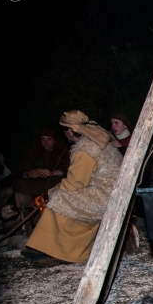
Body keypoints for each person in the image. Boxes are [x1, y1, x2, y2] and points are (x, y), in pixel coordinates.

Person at [22, 111, 123, 266]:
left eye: (64, 129)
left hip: (106, 197)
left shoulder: (85, 150)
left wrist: (49, 193)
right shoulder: (97, 140)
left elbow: (75, 183)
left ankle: (64, 251)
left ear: (70, 130)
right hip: (112, 193)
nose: (64, 134)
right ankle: (45, 246)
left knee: (59, 198)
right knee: (61, 195)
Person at [12, 128, 70, 212]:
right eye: (43, 139)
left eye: (49, 139)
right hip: (36, 182)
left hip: (53, 181)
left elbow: (68, 170)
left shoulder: (63, 152)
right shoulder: (34, 152)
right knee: (20, 184)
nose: (46, 142)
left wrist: (53, 172)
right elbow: (22, 170)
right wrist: (29, 173)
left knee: (57, 184)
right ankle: (28, 208)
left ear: (54, 141)